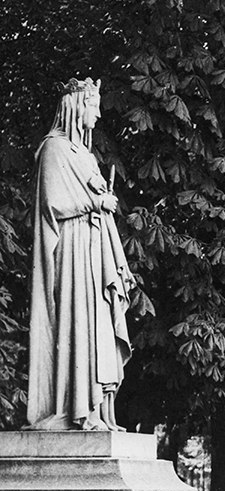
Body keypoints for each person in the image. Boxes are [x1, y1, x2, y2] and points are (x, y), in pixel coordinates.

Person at [27, 78, 132, 431]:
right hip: (71, 251)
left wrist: (103, 201)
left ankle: (98, 411)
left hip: (93, 249)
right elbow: (52, 203)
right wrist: (96, 201)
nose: (99, 113)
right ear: (76, 105)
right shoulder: (54, 149)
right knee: (78, 321)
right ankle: (75, 410)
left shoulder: (84, 154)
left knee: (98, 323)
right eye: (93, 105)